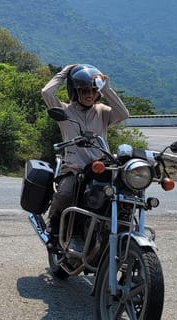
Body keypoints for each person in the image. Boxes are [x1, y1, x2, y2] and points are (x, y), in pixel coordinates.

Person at [40, 64, 130, 246]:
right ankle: (54, 231)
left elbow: (123, 114)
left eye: (93, 91)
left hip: (100, 168)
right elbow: (46, 93)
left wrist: (107, 88)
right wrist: (65, 73)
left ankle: (121, 234)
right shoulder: (65, 111)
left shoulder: (103, 112)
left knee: (125, 193)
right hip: (75, 167)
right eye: (85, 91)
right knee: (65, 193)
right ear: (75, 91)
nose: (90, 95)